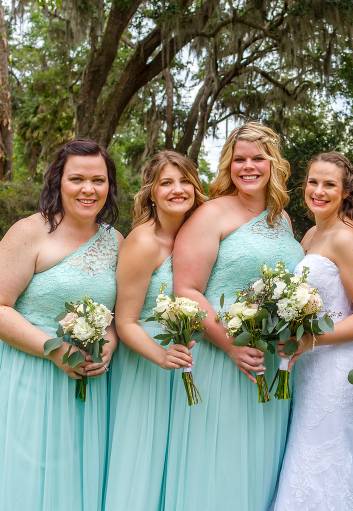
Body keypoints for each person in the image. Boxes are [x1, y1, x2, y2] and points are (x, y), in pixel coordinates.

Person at [0, 139, 123, 510]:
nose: (88, 189)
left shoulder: (116, 240)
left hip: (92, 380)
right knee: (28, 478)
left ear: (109, 186)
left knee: (80, 477)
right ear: (58, 182)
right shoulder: (31, 231)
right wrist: (56, 350)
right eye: (77, 179)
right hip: (28, 374)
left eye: (98, 180)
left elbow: (119, 313)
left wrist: (110, 343)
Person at [164, 122, 305, 511]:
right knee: (220, 460)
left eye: (258, 158)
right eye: (239, 159)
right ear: (228, 164)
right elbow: (187, 289)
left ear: (274, 164)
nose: (248, 166)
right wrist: (230, 345)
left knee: (261, 461)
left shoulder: (285, 221)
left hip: (271, 360)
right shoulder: (211, 213)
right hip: (221, 355)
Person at [271, 152, 353, 511]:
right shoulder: (310, 233)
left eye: (329, 185)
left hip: (337, 371)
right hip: (308, 366)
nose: (318, 191)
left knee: (328, 461)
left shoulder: (346, 237)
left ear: (346, 192)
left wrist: (311, 340)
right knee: (303, 461)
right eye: (313, 182)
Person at [103, 151, 205, 510]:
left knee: (184, 458)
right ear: (150, 192)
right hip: (149, 363)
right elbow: (125, 320)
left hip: (188, 359)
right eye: (166, 183)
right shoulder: (144, 242)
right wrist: (161, 356)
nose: (178, 190)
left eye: (185, 181)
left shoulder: (201, 234)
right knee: (145, 456)